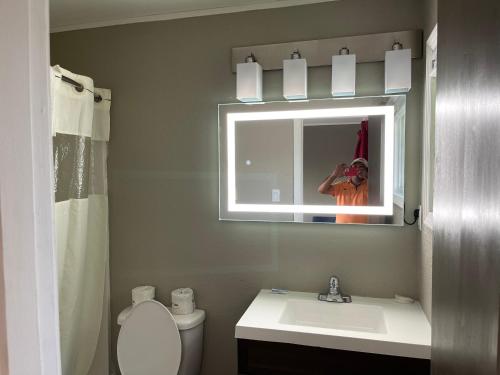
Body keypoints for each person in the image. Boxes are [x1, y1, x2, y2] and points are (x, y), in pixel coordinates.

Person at [317, 158, 369, 224]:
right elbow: (321, 190)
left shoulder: (372, 187)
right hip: (341, 227)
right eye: (355, 167)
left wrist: (367, 177)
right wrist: (334, 175)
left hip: (363, 228)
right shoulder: (341, 185)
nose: (358, 169)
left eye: (361, 167)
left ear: (366, 170)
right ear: (350, 170)